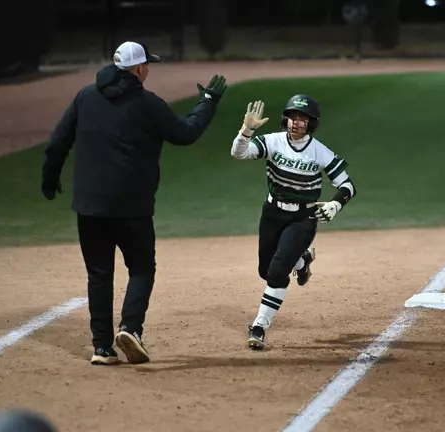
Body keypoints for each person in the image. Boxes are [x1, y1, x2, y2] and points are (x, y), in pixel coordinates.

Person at [41, 41, 227, 365]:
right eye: (147, 65)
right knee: (141, 268)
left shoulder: (85, 97)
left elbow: (58, 141)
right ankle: (130, 327)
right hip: (132, 207)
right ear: (138, 69)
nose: (149, 70)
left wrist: (49, 178)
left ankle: (101, 348)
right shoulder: (147, 103)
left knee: (99, 273)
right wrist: (208, 102)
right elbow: (186, 132)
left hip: (90, 206)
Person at [229, 95, 357, 350]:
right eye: (292, 117)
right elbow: (238, 153)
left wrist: (336, 203)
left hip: (302, 217)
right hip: (272, 213)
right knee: (265, 271)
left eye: (302, 119)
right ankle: (302, 259)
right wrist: (247, 130)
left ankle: (259, 326)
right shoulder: (273, 141)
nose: (295, 123)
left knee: (277, 274)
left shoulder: (320, 152)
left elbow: (347, 185)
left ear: (311, 123)